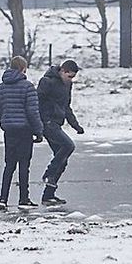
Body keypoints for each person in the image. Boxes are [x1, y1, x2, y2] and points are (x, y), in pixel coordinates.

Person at [0, 55, 44, 211]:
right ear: (23, 68)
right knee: (23, 165)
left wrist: (5, 121)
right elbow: (33, 111)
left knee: (9, 165)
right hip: (24, 130)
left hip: (9, 131)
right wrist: (38, 130)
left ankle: (3, 198)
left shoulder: (1, 87)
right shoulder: (28, 87)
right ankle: (23, 199)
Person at [36, 59, 85, 205]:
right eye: (69, 76)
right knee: (68, 146)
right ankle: (49, 174)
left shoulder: (68, 85)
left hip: (56, 123)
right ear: (62, 71)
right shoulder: (47, 81)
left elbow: (66, 107)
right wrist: (39, 123)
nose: (71, 80)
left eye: (73, 77)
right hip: (47, 123)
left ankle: (48, 196)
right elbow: (37, 102)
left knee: (62, 161)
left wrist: (75, 125)